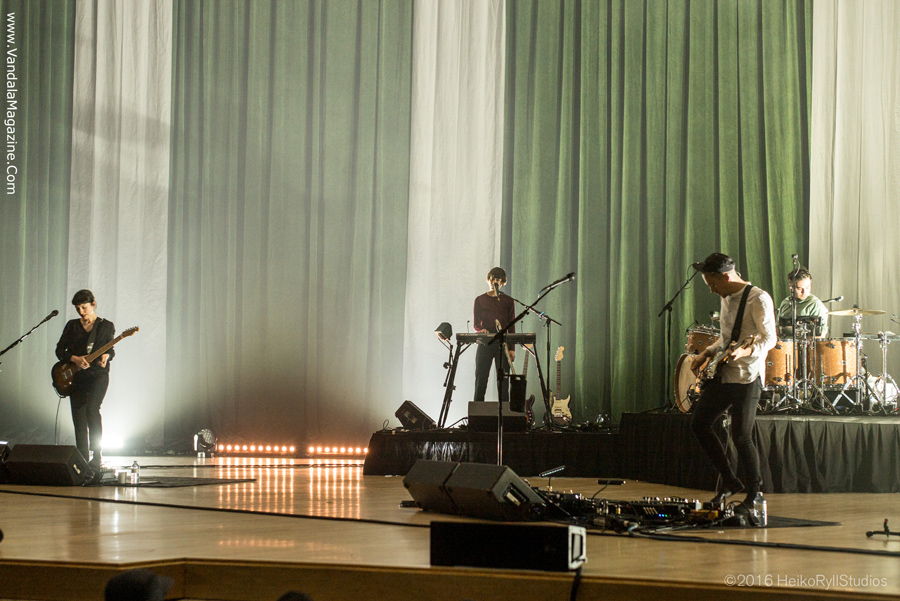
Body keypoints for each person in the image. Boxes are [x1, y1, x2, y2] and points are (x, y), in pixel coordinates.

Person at [688, 253, 776, 513]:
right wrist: (706, 353)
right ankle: (729, 479)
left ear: (726, 277)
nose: (712, 290)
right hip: (724, 373)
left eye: (713, 284)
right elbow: (727, 337)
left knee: (741, 436)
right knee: (699, 424)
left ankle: (755, 494)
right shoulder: (726, 296)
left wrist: (746, 351)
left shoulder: (759, 298)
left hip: (748, 376)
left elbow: (769, 338)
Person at [55, 289, 115, 477]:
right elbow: (59, 350)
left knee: (92, 410)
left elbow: (110, 349)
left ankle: (96, 456)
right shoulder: (72, 326)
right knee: (79, 418)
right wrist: (75, 358)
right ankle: (82, 459)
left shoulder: (105, 326)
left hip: (98, 375)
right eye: (78, 308)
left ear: (93, 304)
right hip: (77, 377)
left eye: (84, 307)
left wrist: (106, 356)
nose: (81, 312)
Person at [473, 267, 516, 403]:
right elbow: (476, 323)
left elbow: (511, 326)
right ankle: (478, 413)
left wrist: (512, 349)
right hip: (485, 342)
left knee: (503, 382)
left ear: (502, 282)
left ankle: (505, 413)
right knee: (481, 380)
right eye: (492, 279)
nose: (494, 282)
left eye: (497, 279)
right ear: (488, 280)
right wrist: (481, 330)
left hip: (502, 343)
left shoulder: (508, 301)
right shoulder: (480, 299)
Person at [775, 267, 829, 338]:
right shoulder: (785, 303)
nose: (804, 292)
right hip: (786, 344)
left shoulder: (815, 304)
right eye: (799, 288)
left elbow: (820, 335)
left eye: (807, 287)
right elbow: (777, 329)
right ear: (791, 287)